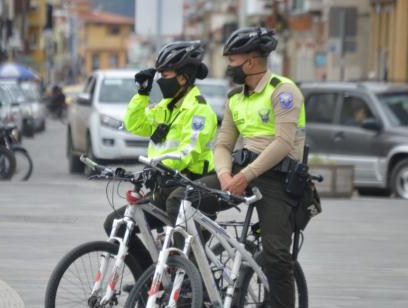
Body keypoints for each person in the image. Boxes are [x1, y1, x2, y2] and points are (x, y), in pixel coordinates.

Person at [102, 41, 221, 270]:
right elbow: (135, 124)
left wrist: (157, 166)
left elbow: (189, 150)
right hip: (163, 190)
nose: (159, 80)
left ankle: (185, 284)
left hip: (189, 189)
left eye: (164, 75)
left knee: (177, 258)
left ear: (183, 78)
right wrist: (142, 93)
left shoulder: (199, 110)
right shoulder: (166, 107)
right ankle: (146, 283)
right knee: (116, 225)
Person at [214, 27, 306, 308]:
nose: (229, 66)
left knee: (277, 256)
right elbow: (223, 144)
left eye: (232, 60)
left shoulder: (283, 91)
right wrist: (224, 175)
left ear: (250, 62)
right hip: (240, 173)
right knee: (183, 200)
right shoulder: (234, 97)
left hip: (276, 180)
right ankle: (193, 278)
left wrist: (244, 176)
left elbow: (282, 143)